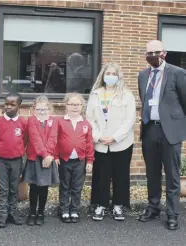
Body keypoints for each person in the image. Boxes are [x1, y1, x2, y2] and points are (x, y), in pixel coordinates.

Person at [138, 40, 186, 230]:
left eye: (157, 52)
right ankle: (153, 207)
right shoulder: (142, 75)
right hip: (150, 128)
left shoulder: (178, 73)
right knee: (152, 173)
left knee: (172, 175)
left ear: (164, 53)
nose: (153, 55)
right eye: (149, 52)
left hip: (170, 131)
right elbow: (145, 99)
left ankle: (173, 214)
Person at [86, 62, 136, 222]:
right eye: (108, 73)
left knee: (120, 175)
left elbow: (129, 120)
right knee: (101, 175)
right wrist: (98, 136)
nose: (111, 76)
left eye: (114, 74)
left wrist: (114, 137)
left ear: (118, 76)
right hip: (100, 142)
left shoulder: (127, 95)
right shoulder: (95, 94)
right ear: (103, 75)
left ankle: (118, 205)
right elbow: (90, 119)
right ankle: (100, 205)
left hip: (122, 143)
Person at [56, 93, 94, 223]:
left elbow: (89, 143)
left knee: (77, 187)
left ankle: (74, 209)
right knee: (65, 185)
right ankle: (64, 209)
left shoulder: (85, 123)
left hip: (80, 161)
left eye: (77, 104)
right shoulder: (60, 122)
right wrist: (55, 156)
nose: (74, 107)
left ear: (82, 106)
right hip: (64, 160)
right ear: (66, 106)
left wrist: (90, 160)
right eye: (71, 104)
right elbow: (54, 141)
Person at [0, 92, 27, 228]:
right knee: (3, 188)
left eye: (12, 105)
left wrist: (19, 152)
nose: (8, 107)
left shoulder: (23, 123)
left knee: (14, 188)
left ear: (19, 106)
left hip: (17, 160)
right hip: (1, 160)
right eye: (6, 104)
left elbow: (25, 140)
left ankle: (13, 213)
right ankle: (2, 215)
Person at [23, 96, 59, 226]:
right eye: (39, 109)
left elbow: (53, 138)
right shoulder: (31, 120)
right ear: (34, 109)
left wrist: (48, 156)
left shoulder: (54, 121)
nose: (42, 112)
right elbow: (35, 138)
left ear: (49, 109)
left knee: (44, 187)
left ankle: (41, 213)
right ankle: (32, 212)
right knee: (34, 186)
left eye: (44, 109)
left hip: (47, 158)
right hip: (35, 158)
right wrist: (44, 155)